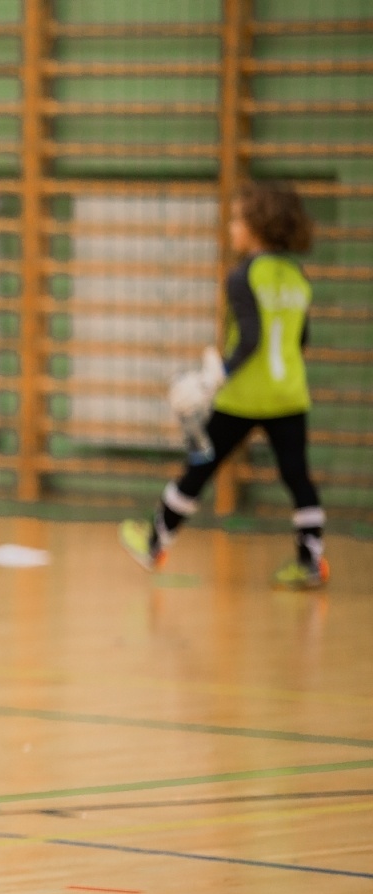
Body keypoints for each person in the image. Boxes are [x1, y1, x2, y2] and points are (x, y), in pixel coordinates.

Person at [119, 181, 327, 590]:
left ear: (257, 226)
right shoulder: (297, 275)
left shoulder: (243, 276)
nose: (231, 228)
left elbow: (250, 338)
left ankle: (154, 542)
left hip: (243, 397)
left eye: (237, 220)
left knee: (200, 465)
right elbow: (300, 340)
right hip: (290, 395)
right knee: (297, 476)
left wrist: (217, 376)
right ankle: (312, 561)